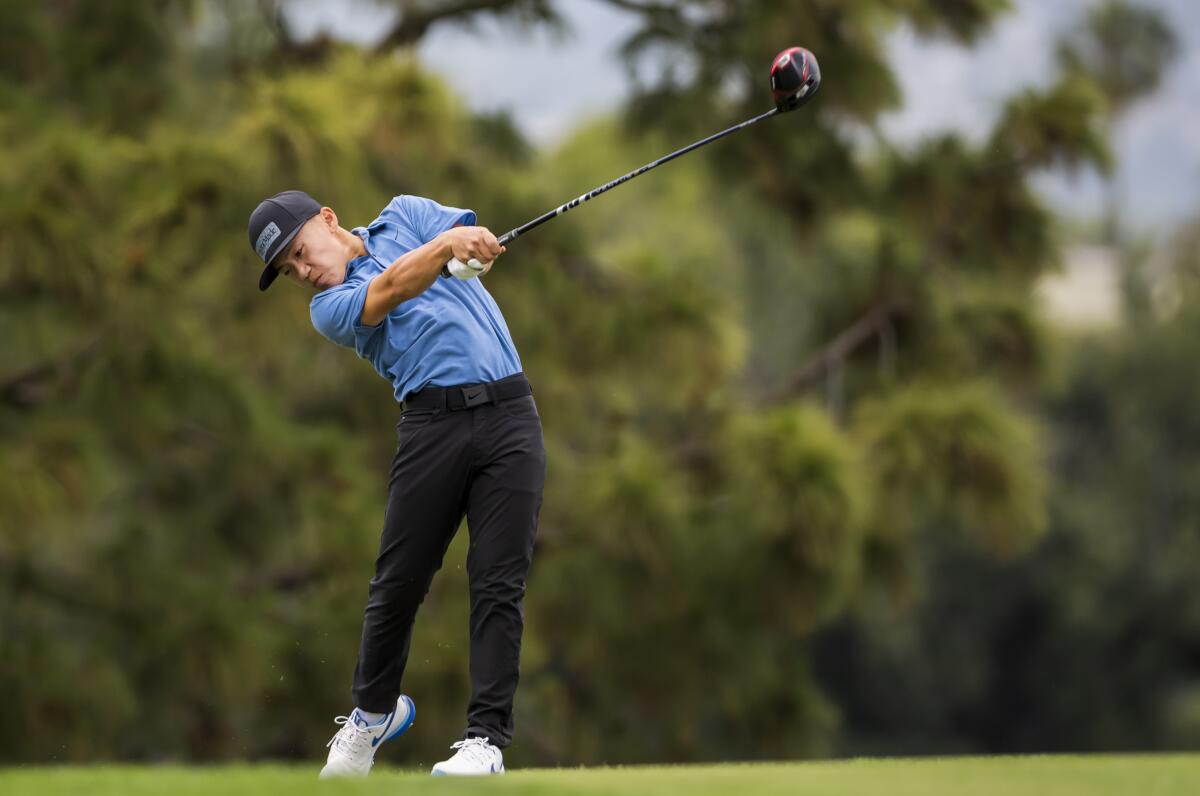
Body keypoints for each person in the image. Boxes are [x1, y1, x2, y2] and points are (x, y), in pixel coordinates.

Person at [246, 190, 546, 777]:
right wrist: (446, 248)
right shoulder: (330, 308)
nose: (303, 273)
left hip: (511, 414)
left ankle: (485, 743)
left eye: (300, 252)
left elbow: (467, 249)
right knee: (398, 585)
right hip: (432, 428)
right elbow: (391, 290)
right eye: (289, 270)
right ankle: (372, 716)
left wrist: (476, 246)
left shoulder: (405, 214)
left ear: (328, 221)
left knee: (497, 582)